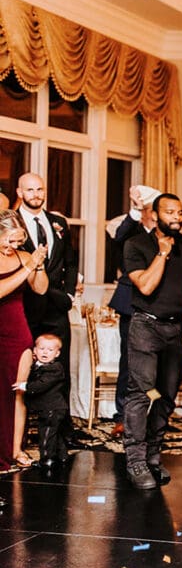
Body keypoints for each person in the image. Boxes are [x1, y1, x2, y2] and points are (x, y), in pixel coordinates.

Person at [122, 193, 182, 489]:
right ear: (155, 214)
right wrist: (162, 254)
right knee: (140, 394)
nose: (177, 217)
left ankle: (152, 457)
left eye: (180, 212)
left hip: (175, 330)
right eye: (170, 212)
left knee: (166, 398)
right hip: (144, 327)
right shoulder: (136, 245)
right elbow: (146, 286)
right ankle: (135, 461)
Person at [16, 173, 80, 446]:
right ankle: (22, 430)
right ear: (20, 191)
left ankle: (62, 430)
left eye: (40, 188)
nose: (36, 194)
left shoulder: (58, 222)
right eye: (30, 189)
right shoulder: (10, 222)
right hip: (23, 306)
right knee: (24, 369)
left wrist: (68, 293)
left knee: (60, 367)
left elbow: (70, 260)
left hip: (56, 310)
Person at [108, 185, 159, 436]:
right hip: (131, 305)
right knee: (129, 363)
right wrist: (135, 210)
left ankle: (152, 414)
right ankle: (123, 416)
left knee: (156, 365)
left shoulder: (168, 236)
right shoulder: (133, 231)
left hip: (159, 308)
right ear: (149, 212)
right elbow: (119, 236)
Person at [0, 209, 48, 471]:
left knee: (18, 393)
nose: (14, 246)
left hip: (17, 331)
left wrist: (37, 265)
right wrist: (28, 267)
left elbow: (40, 289)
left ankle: (14, 449)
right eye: (9, 240)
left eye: (19, 241)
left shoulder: (25, 256)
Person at [15, 334, 67, 472]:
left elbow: (41, 385)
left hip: (52, 408)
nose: (45, 352)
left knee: (46, 434)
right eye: (42, 348)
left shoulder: (55, 368)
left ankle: (47, 459)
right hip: (48, 408)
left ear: (57, 353)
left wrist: (25, 386)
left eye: (50, 350)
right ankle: (62, 456)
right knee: (56, 434)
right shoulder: (37, 366)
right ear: (35, 351)